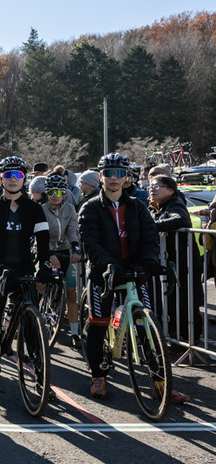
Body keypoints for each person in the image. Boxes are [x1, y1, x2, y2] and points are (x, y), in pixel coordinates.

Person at [78, 153, 187, 403]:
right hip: (102, 273)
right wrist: (109, 264)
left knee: (148, 326)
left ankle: (160, 384)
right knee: (99, 323)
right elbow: (90, 243)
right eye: (108, 173)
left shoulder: (138, 206)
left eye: (119, 173)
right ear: (101, 176)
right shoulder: (91, 206)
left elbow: (150, 238)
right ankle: (98, 375)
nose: (114, 178)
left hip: (134, 271)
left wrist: (149, 261)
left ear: (127, 176)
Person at [0, 156, 50, 398]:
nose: (13, 180)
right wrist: (0, 266)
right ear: (0, 179)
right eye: (7, 176)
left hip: (24, 270)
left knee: (34, 328)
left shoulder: (34, 209)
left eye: (18, 175)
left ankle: (43, 380)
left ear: (25, 178)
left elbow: (43, 241)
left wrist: (43, 265)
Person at [149, 174, 203, 347]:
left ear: (170, 190)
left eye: (157, 186)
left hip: (184, 263)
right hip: (172, 263)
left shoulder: (176, 203)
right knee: (172, 301)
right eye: (150, 185)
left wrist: (152, 225)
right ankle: (177, 338)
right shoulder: (158, 206)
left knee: (185, 302)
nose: (152, 188)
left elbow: (181, 219)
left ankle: (189, 340)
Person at [38, 173, 82, 346]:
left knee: (72, 293)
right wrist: (49, 254)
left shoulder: (70, 208)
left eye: (59, 193)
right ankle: (34, 314)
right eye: (51, 193)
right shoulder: (40, 210)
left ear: (64, 194)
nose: (55, 196)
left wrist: (76, 248)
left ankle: (75, 333)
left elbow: (72, 230)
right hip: (46, 250)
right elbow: (40, 236)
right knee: (40, 285)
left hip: (65, 249)